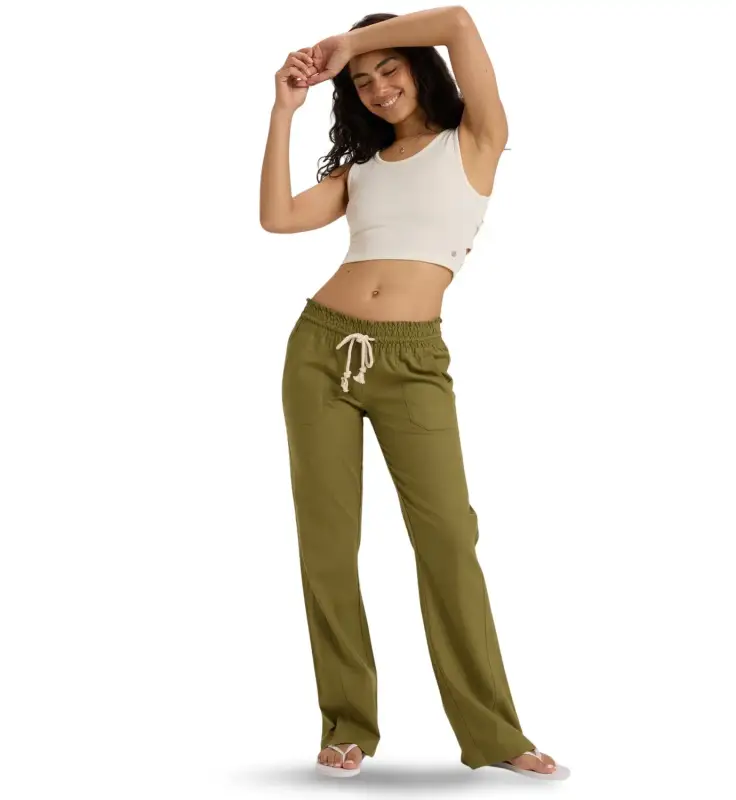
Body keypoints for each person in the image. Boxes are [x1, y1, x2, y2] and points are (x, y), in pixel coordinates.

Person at [259, 8, 570, 782]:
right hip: (320, 352)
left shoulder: (476, 140)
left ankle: (493, 731)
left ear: (419, 66)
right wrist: (285, 110)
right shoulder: (362, 168)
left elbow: (458, 21)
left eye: (388, 68)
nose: (376, 87)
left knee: (448, 542)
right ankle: (346, 722)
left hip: (413, 361)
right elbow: (277, 218)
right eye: (361, 82)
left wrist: (347, 45)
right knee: (327, 545)